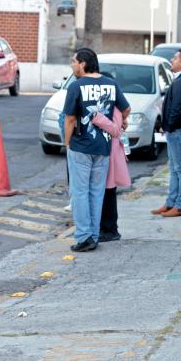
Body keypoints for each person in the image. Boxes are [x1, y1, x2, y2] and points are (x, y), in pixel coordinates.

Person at [63, 48, 130, 252]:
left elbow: (71, 119)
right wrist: (121, 122)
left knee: (80, 192)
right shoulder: (111, 84)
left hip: (81, 146)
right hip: (103, 147)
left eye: (74, 61)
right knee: (96, 192)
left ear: (83, 64)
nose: (72, 65)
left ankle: (84, 237)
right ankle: (93, 234)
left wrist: (66, 143)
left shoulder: (76, 86)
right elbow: (125, 108)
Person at [151, 49, 181, 218]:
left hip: (179, 131)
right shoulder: (180, 79)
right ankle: (171, 202)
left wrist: (167, 126)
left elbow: (177, 108)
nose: (172, 60)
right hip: (175, 130)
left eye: (175, 58)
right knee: (174, 169)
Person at [91, 108, 131, 242]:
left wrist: (96, 117)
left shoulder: (113, 106)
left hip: (110, 151)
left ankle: (110, 229)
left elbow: (115, 129)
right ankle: (107, 228)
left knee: (107, 191)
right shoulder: (112, 104)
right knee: (106, 191)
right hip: (108, 151)